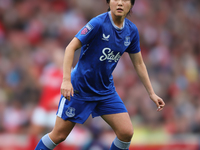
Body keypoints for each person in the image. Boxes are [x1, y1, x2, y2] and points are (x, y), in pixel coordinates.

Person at [35, 0, 165, 150]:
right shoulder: (98, 23)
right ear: (109, 2)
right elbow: (70, 48)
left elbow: (139, 63)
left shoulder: (131, 31)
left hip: (105, 91)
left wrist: (151, 93)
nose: (120, 3)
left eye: (125, 0)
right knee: (59, 135)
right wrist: (66, 81)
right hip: (80, 89)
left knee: (126, 132)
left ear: (131, 4)